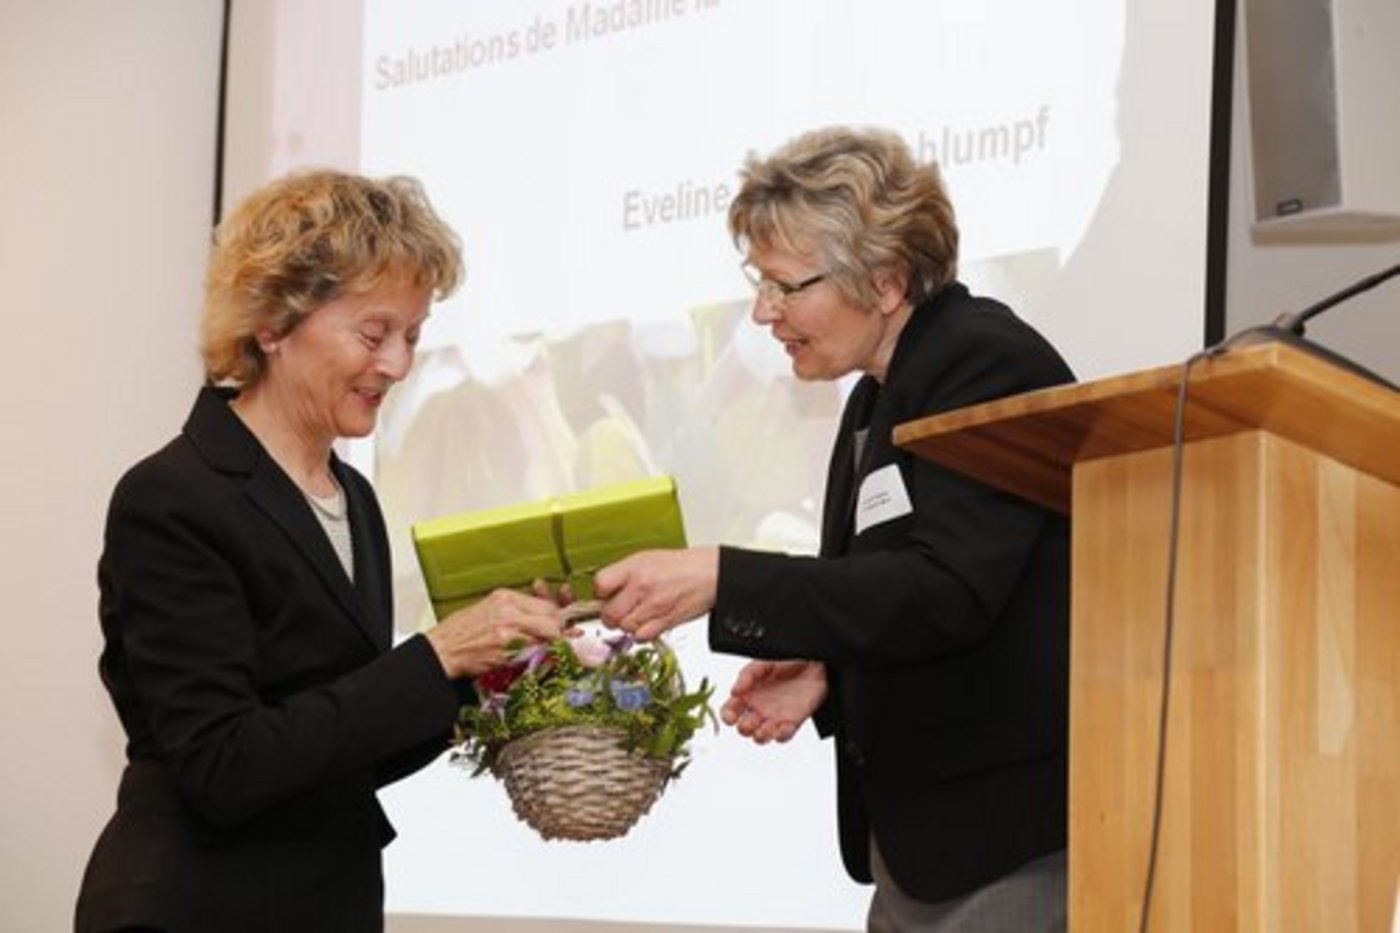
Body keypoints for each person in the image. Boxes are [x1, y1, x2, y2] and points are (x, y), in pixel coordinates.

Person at [595, 126, 1075, 931]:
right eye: (760, 282)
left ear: (885, 281)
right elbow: (914, 594)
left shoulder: (984, 361)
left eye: (786, 285)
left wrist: (722, 576)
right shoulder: (875, 395)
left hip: (1007, 845)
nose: (761, 311)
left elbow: (949, 590)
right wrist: (832, 670)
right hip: (918, 851)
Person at [75, 170, 566, 933]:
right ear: (272, 322)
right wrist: (436, 655)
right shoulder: (171, 497)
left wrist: (488, 670)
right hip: (198, 906)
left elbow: (345, 750)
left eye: (412, 335)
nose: (399, 365)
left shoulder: (353, 498)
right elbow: (224, 765)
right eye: (374, 334)